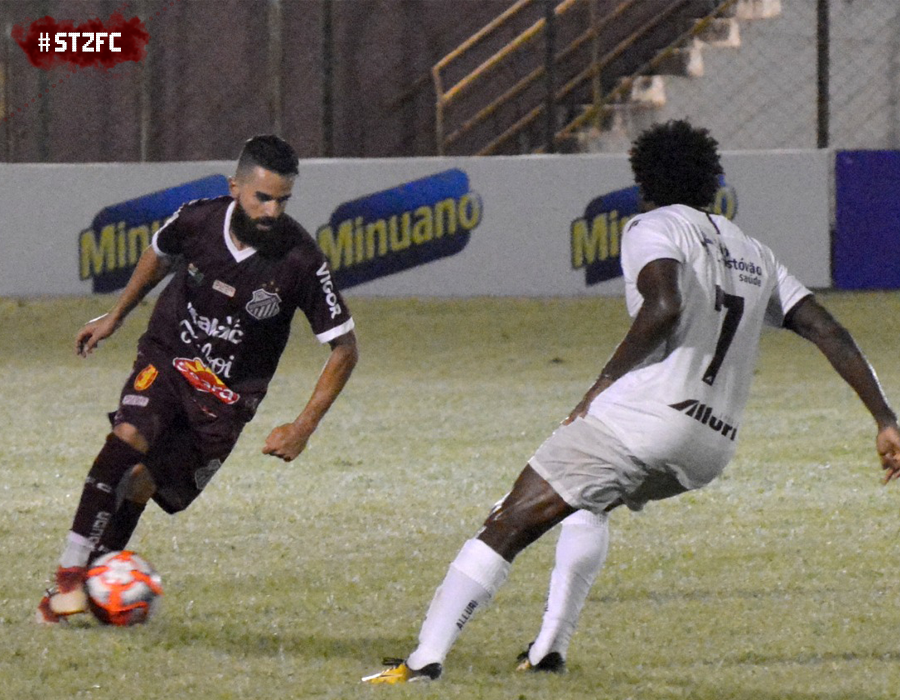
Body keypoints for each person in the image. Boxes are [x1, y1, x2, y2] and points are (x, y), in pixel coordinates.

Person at [362, 120, 900, 683]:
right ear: (710, 181)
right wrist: (885, 419)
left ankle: (423, 662)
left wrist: (601, 385)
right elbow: (828, 330)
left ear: (644, 181)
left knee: (508, 520)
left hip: (648, 417)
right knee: (587, 501)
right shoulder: (756, 254)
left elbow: (663, 304)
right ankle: (549, 648)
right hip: (710, 445)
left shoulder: (652, 224)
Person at [37, 134, 358, 624]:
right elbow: (158, 253)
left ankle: (101, 582)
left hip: (226, 402)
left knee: (142, 483)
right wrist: (117, 315)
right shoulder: (197, 219)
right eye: (262, 197)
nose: (272, 211)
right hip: (169, 358)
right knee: (125, 440)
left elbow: (344, 349)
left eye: (283, 200)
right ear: (236, 187)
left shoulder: (302, 261)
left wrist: (303, 427)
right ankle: (68, 581)